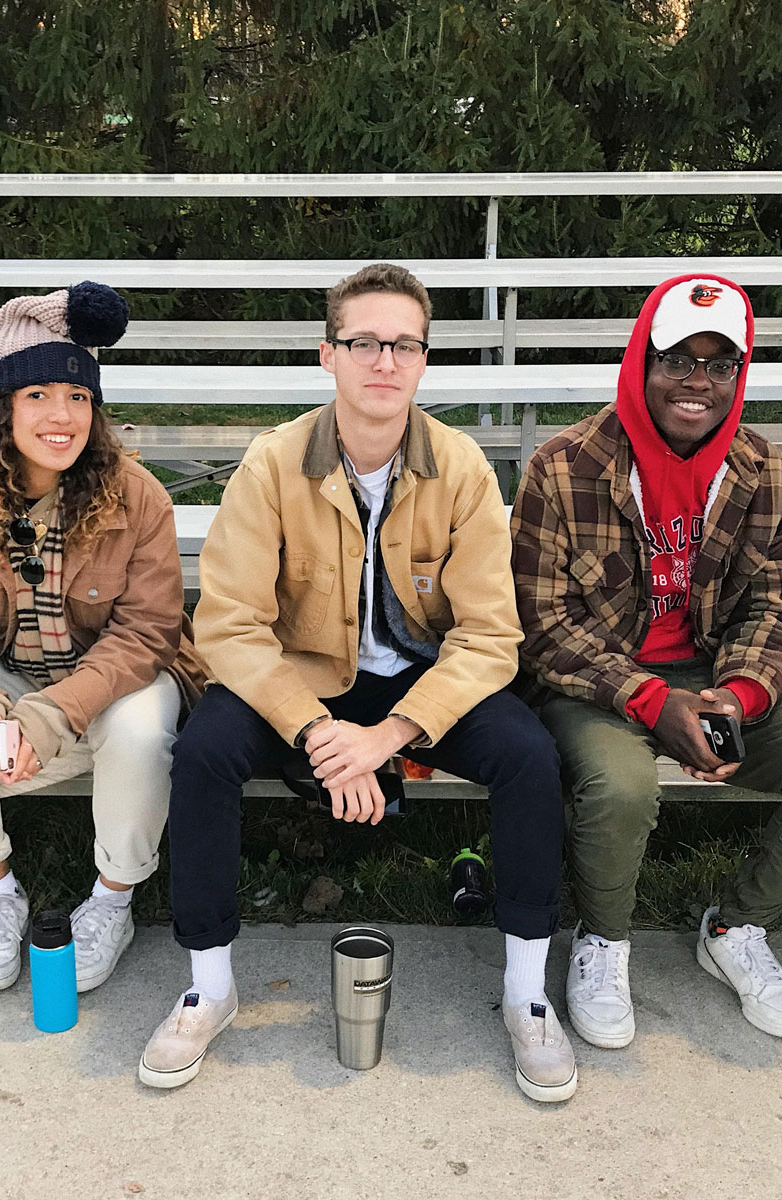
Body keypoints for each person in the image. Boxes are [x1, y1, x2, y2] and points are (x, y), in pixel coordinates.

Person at [139, 263, 576, 1102]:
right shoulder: (272, 465)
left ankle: (527, 992)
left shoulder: (462, 469)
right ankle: (209, 985)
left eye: (403, 343)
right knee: (203, 752)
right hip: (303, 684)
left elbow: (489, 637)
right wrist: (316, 732)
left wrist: (388, 737)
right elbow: (227, 624)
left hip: (422, 685)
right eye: (363, 341)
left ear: (423, 360)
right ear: (327, 355)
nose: (384, 359)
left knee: (528, 756)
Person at [0, 282, 206, 996]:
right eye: (37, 394)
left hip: (109, 680)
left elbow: (147, 632)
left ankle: (112, 900)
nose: (61, 416)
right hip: (3, 676)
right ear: (1, 405)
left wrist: (53, 710)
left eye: (78, 397)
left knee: (139, 727)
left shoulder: (136, 495)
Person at [511, 273, 782, 1049]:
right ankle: (603, 941)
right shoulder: (563, 467)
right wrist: (651, 701)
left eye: (719, 363)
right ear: (641, 360)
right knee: (622, 787)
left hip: (713, 676)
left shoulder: (764, 472)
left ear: (740, 373)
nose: (697, 382)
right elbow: (543, 627)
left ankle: (737, 925)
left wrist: (738, 697)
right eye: (677, 359)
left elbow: (771, 605)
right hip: (593, 682)